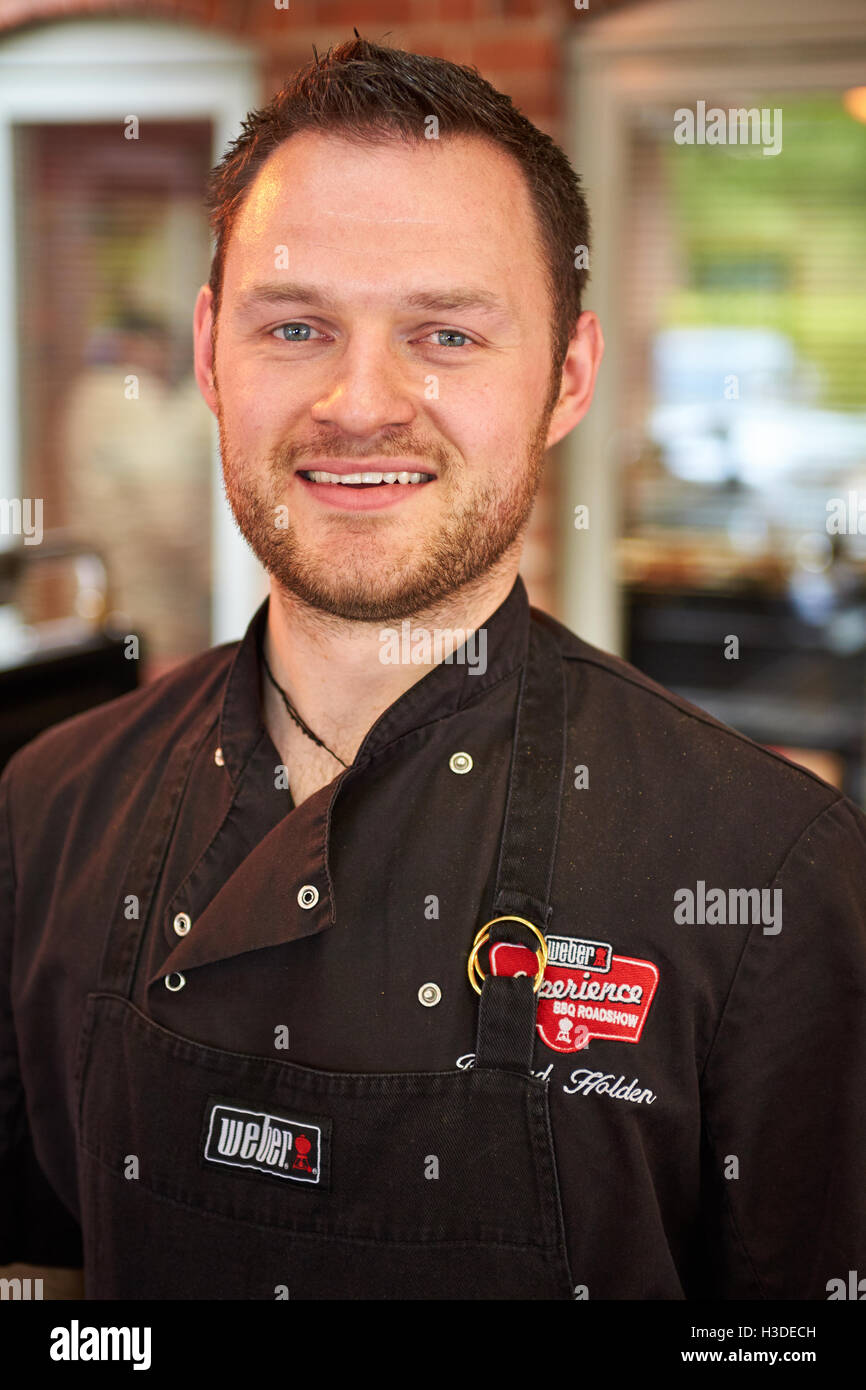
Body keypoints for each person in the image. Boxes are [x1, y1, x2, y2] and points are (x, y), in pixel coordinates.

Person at [1, 36, 864, 1302]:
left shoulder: (766, 869)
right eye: (294, 326)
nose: (362, 402)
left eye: (446, 335)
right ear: (208, 357)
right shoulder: (46, 809)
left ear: (565, 376)